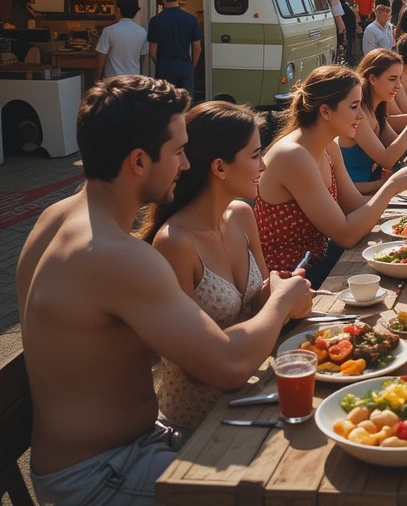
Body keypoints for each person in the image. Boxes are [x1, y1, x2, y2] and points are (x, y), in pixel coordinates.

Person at [16, 76, 312, 506]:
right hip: (101, 473)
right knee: (291, 484)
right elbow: (227, 367)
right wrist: (282, 301)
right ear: (139, 161)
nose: (186, 165)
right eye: (177, 153)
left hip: (122, 450)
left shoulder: (57, 217)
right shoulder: (114, 254)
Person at [140, 101, 276, 431]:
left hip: (253, 396)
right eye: (256, 154)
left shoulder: (242, 215)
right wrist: (281, 306)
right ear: (219, 168)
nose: (265, 164)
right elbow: (194, 368)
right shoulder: (175, 242)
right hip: (200, 427)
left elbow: (261, 298)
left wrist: (279, 290)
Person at [254, 66, 407, 286]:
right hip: (292, 281)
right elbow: (346, 235)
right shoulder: (293, 155)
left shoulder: (329, 146)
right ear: (325, 111)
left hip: (320, 264)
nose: (361, 116)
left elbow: (355, 206)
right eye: (354, 107)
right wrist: (390, 186)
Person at [338, 48, 407, 193]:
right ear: (372, 79)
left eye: (399, 78)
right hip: (360, 195)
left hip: (374, 188)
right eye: (392, 79)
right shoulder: (360, 115)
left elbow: (397, 146)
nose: (398, 85)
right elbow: (387, 159)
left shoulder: (376, 109)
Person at [147, 0, 202, 99]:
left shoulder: (156, 21)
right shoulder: (191, 19)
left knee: (165, 103)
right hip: (185, 66)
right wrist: (191, 66)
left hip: (164, 67)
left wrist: (161, 63)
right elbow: (197, 48)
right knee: (186, 104)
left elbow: (152, 51)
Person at [95, 0, 149, 79]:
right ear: (135, 12)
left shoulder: (108, 31)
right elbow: (142, 57)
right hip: (133, 80)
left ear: (118, 10)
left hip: (113, 80)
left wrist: (97, 78)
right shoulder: (142, 32)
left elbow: (101, 56)